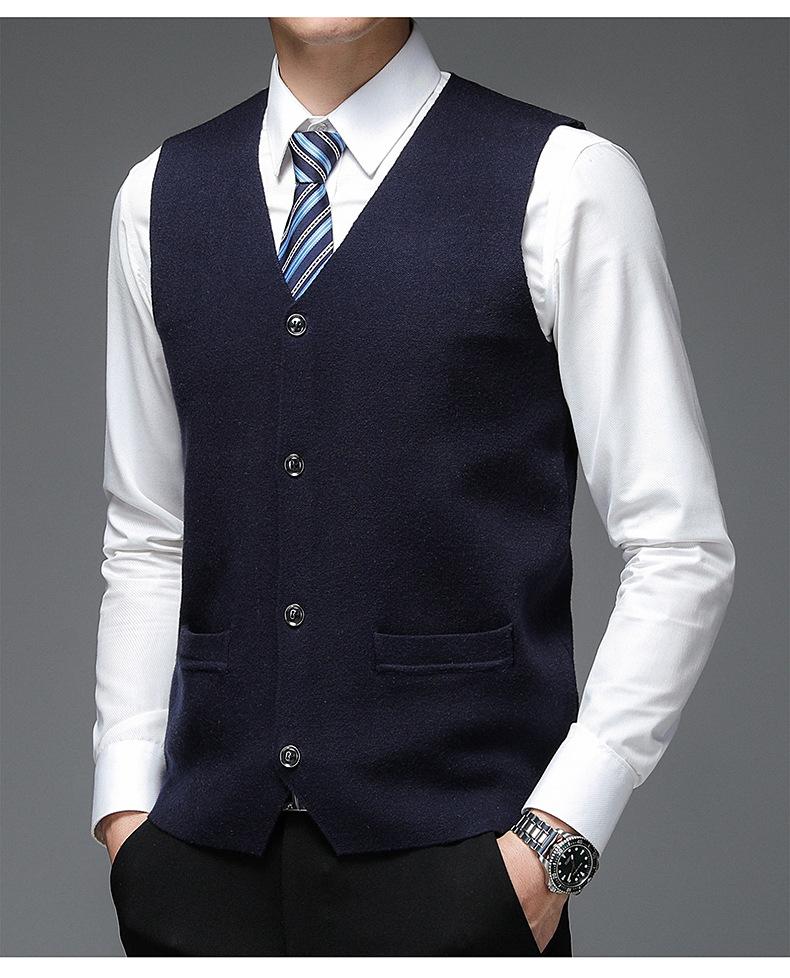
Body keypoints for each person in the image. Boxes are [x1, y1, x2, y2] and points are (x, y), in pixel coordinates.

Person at [91, 16, 736, 957]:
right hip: (199, 870)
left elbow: (680, 546)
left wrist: (558, 840)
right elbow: (148, 534)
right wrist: (126, 817)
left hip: (463, 870)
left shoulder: (566, 181)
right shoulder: (156, 197)